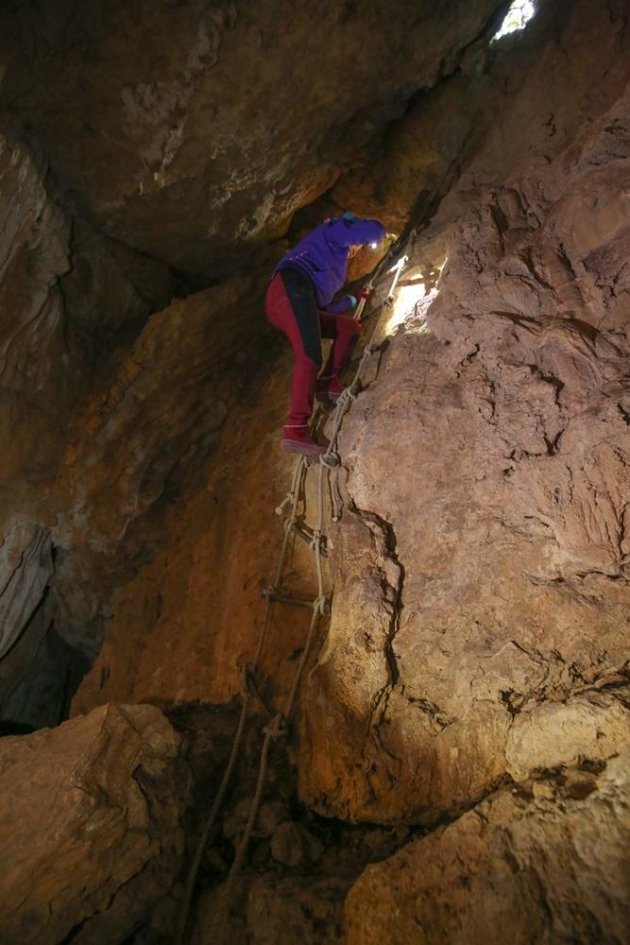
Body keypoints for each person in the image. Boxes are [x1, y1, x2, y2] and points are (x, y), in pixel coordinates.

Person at [266, 212, 386, 458]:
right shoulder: (331, 232)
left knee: (348, 327)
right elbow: (375, 231)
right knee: (310, 356)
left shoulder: (337, 269)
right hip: (289, 288)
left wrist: (354, 299)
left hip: (298, 298)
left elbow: (322, 310)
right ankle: (295, 428)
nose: (356, 248)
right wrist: (360, 226)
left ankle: (327, 382)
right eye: (356, 244)